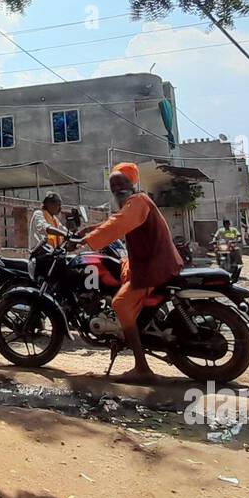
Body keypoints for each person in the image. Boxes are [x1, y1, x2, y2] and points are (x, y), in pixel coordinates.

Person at [71, 162, 184, 384]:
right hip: (151, 262)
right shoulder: (134, 203)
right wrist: (89, 230)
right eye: (113, 185)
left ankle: (141, 367)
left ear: (132, 183)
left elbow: (119, 223)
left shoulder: (138, 201)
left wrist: (87, 240)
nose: (117, 188)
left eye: (121, 183)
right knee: (120, 270)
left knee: (120, 304)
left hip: (154, 266)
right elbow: (117, 221)